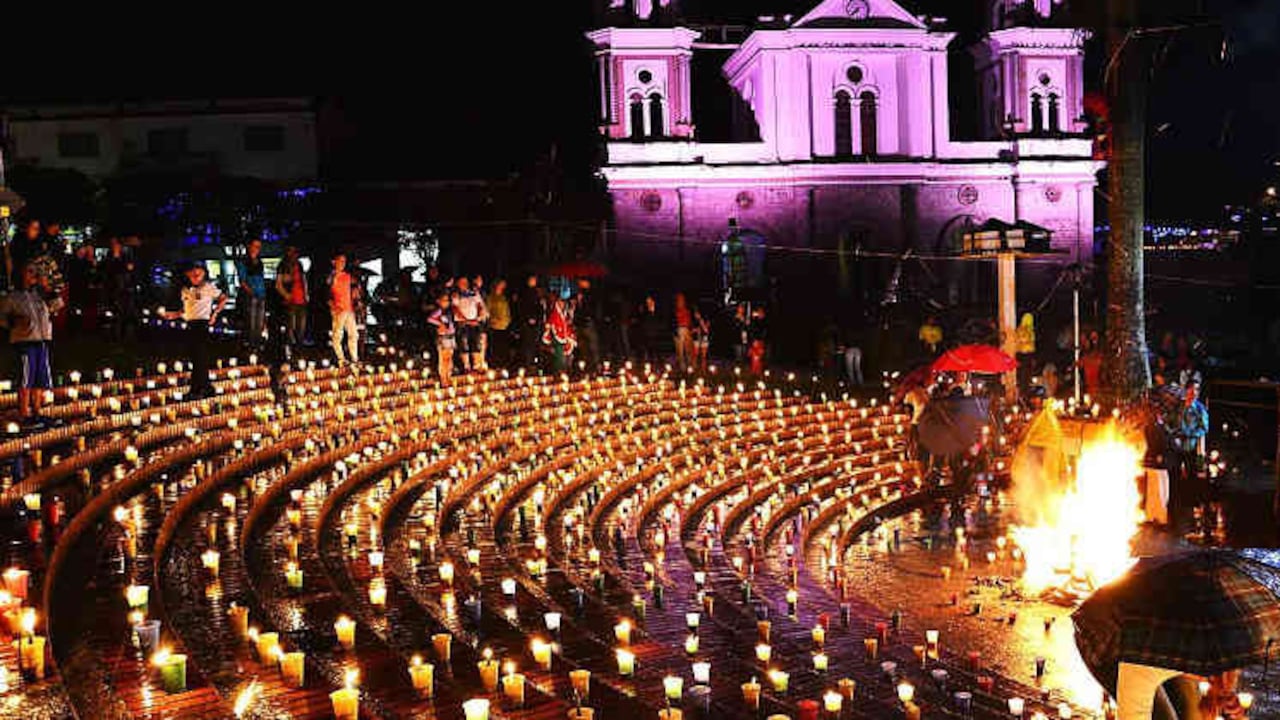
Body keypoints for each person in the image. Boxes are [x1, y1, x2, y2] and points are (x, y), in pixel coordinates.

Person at [0, 262, 64, 426]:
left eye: (34, 272)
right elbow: (3, 319)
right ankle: (24, 412)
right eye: (29, 272)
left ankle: (37, 410)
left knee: (40, 379)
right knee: (26, 378)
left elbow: (58, 306)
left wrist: (49, 289)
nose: (33, 275)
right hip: (24, 342)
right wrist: (14, 321)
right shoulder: (13, 297)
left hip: (41, 340)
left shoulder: (39, 296)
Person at [163, 263, 227, 399]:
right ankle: (204, 387)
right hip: (190, 325)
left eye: (198, 274)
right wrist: (174, 315)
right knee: (196, 357)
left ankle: (198, 389)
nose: (195, 277)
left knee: (200, 357)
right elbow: (186, 310)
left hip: (202, 325)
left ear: (204, 274)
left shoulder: (208, 288)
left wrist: (215, 313)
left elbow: (223, 298)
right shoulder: (185, 290)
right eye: (192, 275)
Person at [1161, 378, 1209, 530]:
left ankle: (1191, 518)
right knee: (1173, 480)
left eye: (1196, 390)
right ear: (1186, 390)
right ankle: (1172, 517)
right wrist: (1170, 431)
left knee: (1191, 481)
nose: (1193, 393)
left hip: (1190, 448)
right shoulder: (1178, 406)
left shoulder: (1199, 409)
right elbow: (1169, 422)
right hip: (1177, 448)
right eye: (1191, 390)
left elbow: (1204, 428)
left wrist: (1189, 433)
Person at [100, 237, 137, 342]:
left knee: (125, 312)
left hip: (124, 289)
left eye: (116, 244)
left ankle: (124, 335)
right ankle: (114, 335)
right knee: (114, 313)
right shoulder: (109, 256)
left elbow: (129, 269)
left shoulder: (126, 256)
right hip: (112, 289)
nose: (115, 246)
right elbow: (107, 270)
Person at [327, 252, 359, 367]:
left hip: (348, 309)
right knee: (337, 334)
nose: (342, 263)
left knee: (353, 334)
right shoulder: (332, 276)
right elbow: (327, 294)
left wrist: (356, 297)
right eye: (340, 261)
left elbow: (354, 289)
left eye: (344, 261)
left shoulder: (347, 276)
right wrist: (333, 306)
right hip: (338, 309)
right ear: (334, 262)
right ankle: (341, 358)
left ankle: (354, 358)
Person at [452, 276, 487, 373]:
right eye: (462, 282)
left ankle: (476, 365)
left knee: (475, 343)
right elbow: (455, 308)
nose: (464, 283)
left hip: (474, 322)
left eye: (465, 281)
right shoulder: (456, 294)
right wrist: (466, 320)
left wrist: (478, 316)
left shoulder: (474, 293)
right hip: (462, 323)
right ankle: (466, 366)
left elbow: (479, 305)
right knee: (464, 344)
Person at [275, 246, 308, 349]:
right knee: (290, 326)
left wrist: (306, 294)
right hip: (290, 300)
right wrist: (286, 295)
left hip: (301, 300)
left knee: (301, 327)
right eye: (291, 251)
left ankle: (299, 347)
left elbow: (303, 279)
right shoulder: (282, 265)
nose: (293, 254)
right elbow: (278, 284)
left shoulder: (299, 265)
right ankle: (290, 348)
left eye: (295, 252)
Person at [237, 238, 268, 349]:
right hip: (251, 295)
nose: (257, 249)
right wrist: (251, 292)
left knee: (259, 322)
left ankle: (257, 343)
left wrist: (262, 292)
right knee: (251, 322)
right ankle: (251, 345)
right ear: (249, 246)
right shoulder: (244, 262)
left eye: (259, 247)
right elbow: (242, 280)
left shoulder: (259, 262)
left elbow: (261, 278)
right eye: (255, 246)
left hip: (261, 295)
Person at [426, 293, 457, 385]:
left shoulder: (449, 311)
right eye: (444, 300)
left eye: (447, 300)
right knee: (443, 358)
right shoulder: (439, 311)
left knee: (450, 357)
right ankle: (443, 377)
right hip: (443, 337)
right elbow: (430, 319)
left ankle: (449, 375)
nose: (446, 302)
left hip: (451, 336)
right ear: (438, 301)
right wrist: (440, 323)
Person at [518, 274, 544, 370]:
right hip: (527, 322)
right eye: (532, 280)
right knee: (528, 344)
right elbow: (523, 307)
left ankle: (535, 362)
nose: (533, 281)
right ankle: (528, 363)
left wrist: (538, 319)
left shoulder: (537, 293)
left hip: (536, 323)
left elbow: (539, 308)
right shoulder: (525, 293)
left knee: (535, 343)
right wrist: (529, 318)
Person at [485, 278, 511, 368]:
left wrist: (508, 319)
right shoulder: (491, 297)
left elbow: (507, 309)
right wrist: (492, 319)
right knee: (495, 346)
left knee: (503, 346)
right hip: (495, 324)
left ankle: (502, 363)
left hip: (504, 324)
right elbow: (487, 310)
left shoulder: (503, 297)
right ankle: (494, 363)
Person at [673, 292, 693, 373]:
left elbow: (689, 321)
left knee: (688, 349)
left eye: (682, 299)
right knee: (680, 351)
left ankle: (690, 368)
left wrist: (689, 330)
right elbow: (673, 322)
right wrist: (675, 332)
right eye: (679, 299)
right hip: (679, 330)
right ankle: (682, 368)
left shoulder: (687, 310)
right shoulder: (675, 311)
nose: (681, 301)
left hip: (686, 330)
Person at [690, 304, 710, 373]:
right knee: (695, 355)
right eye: (695, 313)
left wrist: (701, 321)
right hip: (696, 338)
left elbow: (706, 330)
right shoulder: (693, 321)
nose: (696, 314)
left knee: (703, 356)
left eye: (697, 313)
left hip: (704, 338)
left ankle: (703, 370)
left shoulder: (705, 319)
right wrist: (695, 330)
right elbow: (691, 330)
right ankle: (694, 369)